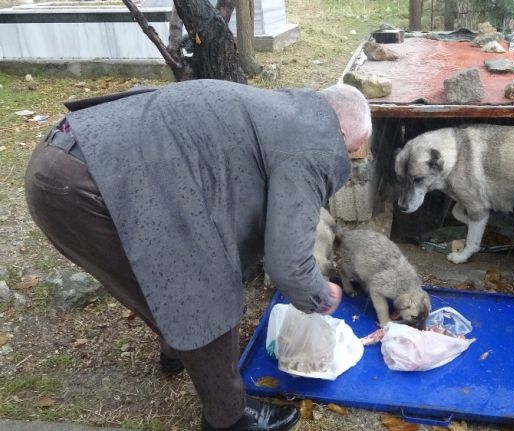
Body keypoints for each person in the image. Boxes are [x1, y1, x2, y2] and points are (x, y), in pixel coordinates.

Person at [24, 80, 372, 431]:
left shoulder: (283, 108)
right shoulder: (319, 142)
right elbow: (288, 266)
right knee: (206, 290)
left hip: (65, 156)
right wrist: (319, 293)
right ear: (341, 129)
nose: (350, 157)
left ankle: (176, 351)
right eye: (353, 150)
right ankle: (229, 418)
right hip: (86, 185)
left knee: (167, 270)